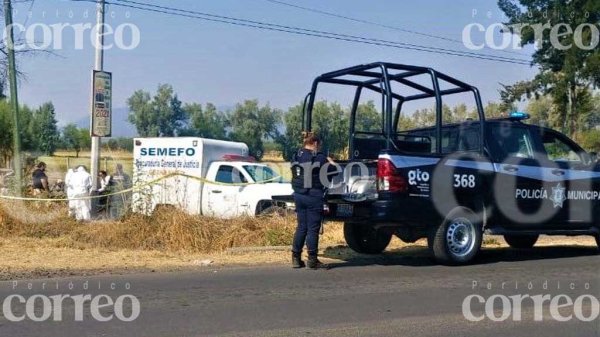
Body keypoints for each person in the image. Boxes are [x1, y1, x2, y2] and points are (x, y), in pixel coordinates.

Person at [290, 132, 337, 270]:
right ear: (315, 143)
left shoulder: (296, 155)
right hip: (313, 195)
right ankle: (312, 260)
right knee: (312, 229)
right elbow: (334, 171)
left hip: (298, 195)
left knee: (301, 227)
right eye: (319, 144)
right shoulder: (320, 158)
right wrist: (331, 161)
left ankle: (296, 258)